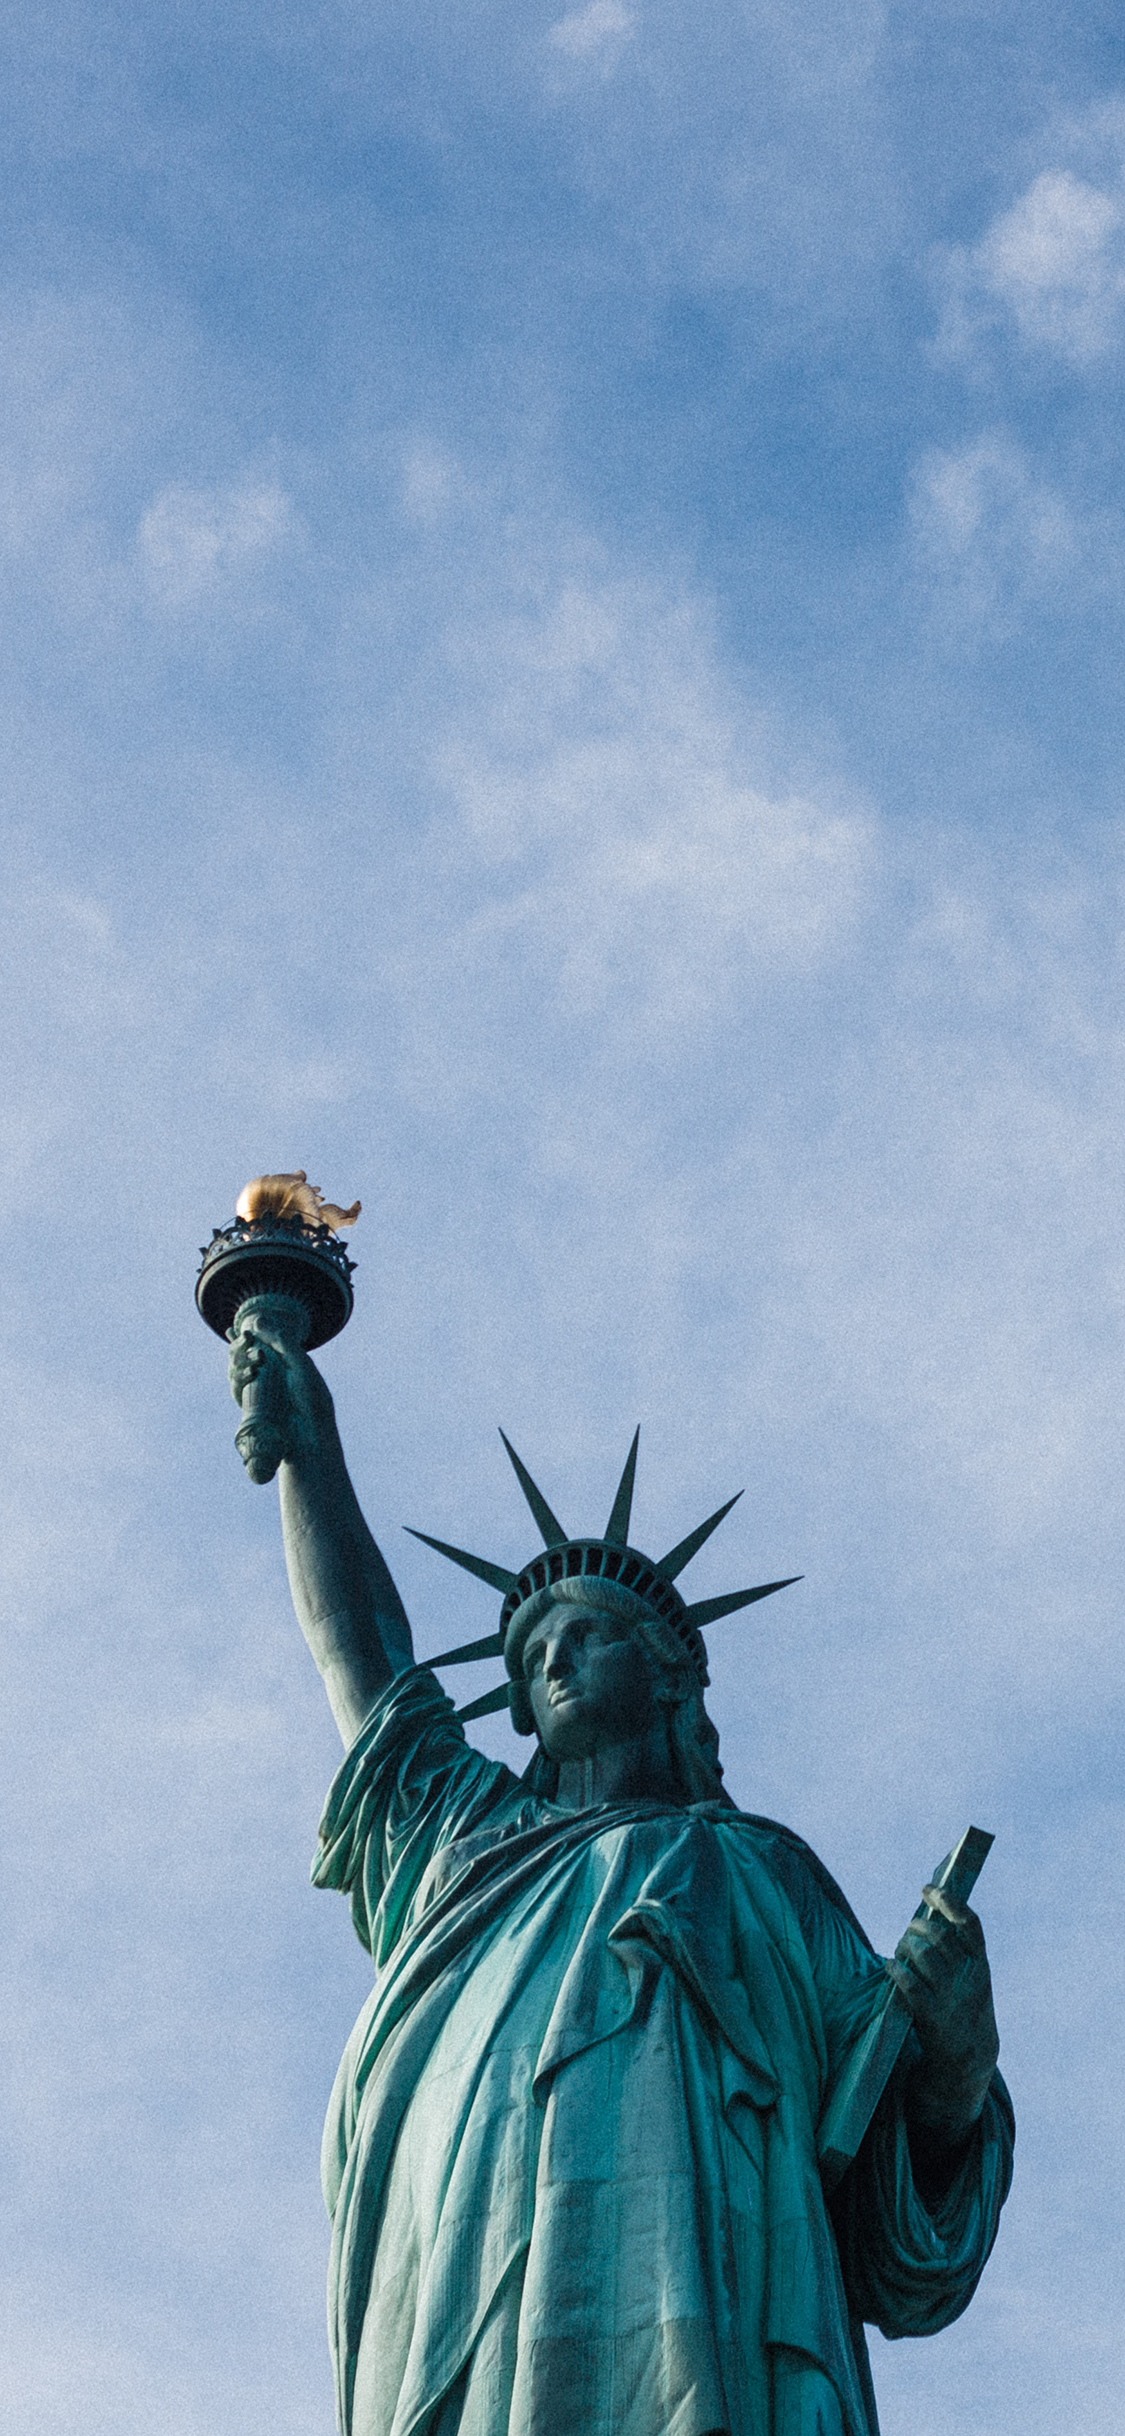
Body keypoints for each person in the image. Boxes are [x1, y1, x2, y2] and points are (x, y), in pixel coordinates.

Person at [229, 1322, 1013, 2436]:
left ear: (669, 1676)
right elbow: (362, 1660)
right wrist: (313, 1455)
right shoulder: (466, 1839)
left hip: (715, 2305)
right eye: (532, 1650)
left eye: (589, 1633)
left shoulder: (762, 1874)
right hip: (468, 2267)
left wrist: (955, 2057)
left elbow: (898, 2198)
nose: (552, 1656)